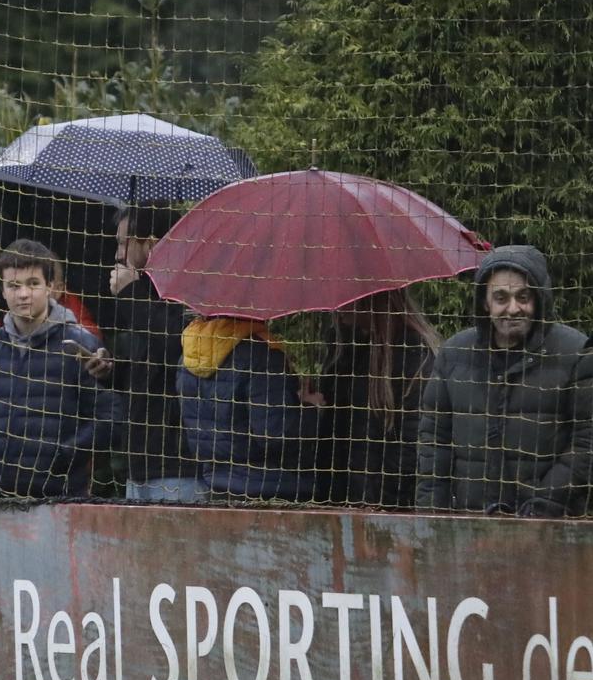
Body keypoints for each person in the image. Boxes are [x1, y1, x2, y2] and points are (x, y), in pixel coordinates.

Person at [415, 245, 593, 517]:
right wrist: (434, 521)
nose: (513, 309)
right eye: (501, 297)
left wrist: (542, 507)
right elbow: (434, 443)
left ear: (539, 299)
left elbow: (590, 443)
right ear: (485, 302)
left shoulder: (577, 353)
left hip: (551, 530)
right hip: (467, 528)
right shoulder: (455, 354)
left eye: (523, 297)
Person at [0, 238, 116, 497]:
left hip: (61, 496)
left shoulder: (79, 343)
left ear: (50, 287)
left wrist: (65, 456)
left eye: (33, 284)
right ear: (2, 290)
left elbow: (106, 417)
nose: (23, 294)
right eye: (14, 285)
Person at [304, 289, 439, 507]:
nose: (337, 305)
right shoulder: (344, 351)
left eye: (346, 294)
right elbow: (334, 435)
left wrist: (383, 509)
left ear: (370, 296)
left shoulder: (414, 355)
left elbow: (412, 447)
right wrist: (311, 406)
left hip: (384, 510)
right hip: (336, 505)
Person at [105, 204, 199, 503]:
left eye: (124, 243)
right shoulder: (145, 293)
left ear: (152, 243)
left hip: (179, 465)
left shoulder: (190, 292)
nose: (119, 254)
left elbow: (177, 351)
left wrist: (131, 295)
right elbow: (145, 372)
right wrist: (110, 370)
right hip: (140, 464)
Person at [178, 315, 314, 501]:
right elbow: (275, 434)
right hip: (269, 486)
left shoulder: (189, 357)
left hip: (217, 483)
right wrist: (309, 408)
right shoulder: (261, 354)